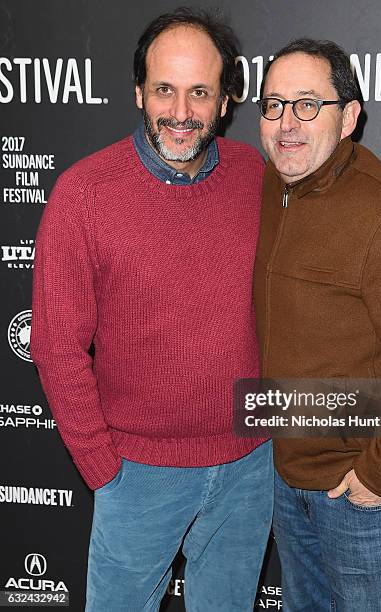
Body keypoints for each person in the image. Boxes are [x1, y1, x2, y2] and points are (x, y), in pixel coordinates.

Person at [30, 8, 272, 612]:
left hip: (249, 465)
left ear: (224, 101)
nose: (181, 112)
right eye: (165, 89)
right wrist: (102, 467)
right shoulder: (85, 194)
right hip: (138, 473)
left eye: (199, 92)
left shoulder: (255, 176)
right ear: (140, 92)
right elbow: (55, 343)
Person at [253, 38, 381, 611]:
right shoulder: (272, 186)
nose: (287, 123)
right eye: (273, 105)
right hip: (287, 475)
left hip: (358, 493)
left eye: (306, 104)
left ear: (348, 117)